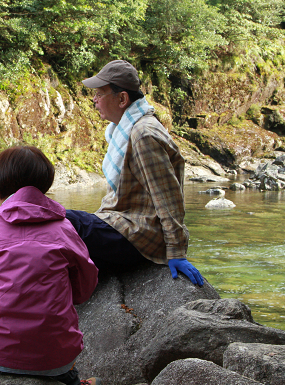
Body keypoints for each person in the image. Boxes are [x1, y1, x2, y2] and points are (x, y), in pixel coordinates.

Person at [0, 145, 103, 385]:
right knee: (63, 364)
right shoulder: (65, 229)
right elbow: (84, 290)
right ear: (44, 185)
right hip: (55, 361)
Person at [65, 60, 204, 286]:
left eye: (100, 94)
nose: (94, 100)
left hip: (138, 235)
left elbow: (167, 197)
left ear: (122, 99)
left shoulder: (143, 134)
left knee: (60, 220)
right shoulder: (126, 129)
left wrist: (176, 251)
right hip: (124, 225)